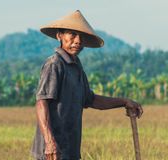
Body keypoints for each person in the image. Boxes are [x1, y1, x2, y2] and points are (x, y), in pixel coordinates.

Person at [31, 10, 143, 160]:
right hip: (52, 152)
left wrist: (124, 101)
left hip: (70, 150)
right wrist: (49, 142)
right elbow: (42, 102)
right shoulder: (54, 64)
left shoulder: (76, 67)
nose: (77, 40)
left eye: (81, 36)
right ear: (60, 36)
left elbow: (91, 100)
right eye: (72, 34)